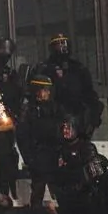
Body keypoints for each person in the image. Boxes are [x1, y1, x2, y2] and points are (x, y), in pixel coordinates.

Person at [35, 33, 103, 136]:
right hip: (52, 117)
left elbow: (89, 94)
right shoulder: (44, 68)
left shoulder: (79, 69)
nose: (62, 47)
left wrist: (91, 118)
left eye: (64, 44)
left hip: (76, 116)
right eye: (59, 45)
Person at [17, 76, 64, 207]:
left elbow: (61, 131)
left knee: (60, 189)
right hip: (37, 155)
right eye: (44, 90)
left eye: (47, 90)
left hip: (54, 153)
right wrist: (29, 158)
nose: (46, 93)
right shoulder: (28, 109)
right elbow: (22, 135)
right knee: (38, 190)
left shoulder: (55, 109)